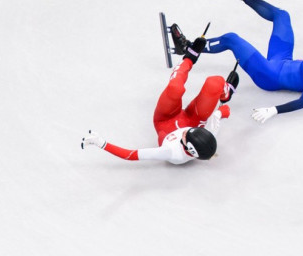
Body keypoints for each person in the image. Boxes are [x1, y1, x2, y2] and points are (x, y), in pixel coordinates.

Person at [81, 34, 238, 164]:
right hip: (193, 119)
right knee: (215, 83)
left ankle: (188, 58)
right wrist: (222, 111)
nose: (185, 132)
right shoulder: (209, 132)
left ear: (188, 147)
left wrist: (101, 143)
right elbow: (216, 118)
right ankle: (215, 82)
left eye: (186, 134)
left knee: (174, 89)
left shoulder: (170, 152)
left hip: (165, 120)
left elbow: (131, 155)